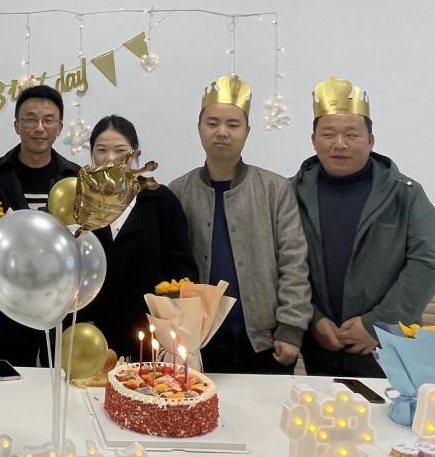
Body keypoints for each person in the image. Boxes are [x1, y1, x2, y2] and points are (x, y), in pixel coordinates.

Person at [168, 74, 312, 374]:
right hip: (200, 341)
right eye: (212, 123)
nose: (222, 132)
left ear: (247, 130)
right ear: (199, 127)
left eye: (233, 125)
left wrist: (291, 327)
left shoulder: (275, 189)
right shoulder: (179, 192)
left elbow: (294, 261)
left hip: (265, 342)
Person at [294, 76, 435, 377]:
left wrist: (378, 323)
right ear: (314, 140)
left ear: (371, 140)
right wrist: (313, 318)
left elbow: (427, 260)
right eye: (328, 134)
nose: (339, 144)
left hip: (388, 344)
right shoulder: (290, 193)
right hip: (317, 341)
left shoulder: (405, 194)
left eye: (352, 134)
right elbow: (278, 263)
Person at [0, 84, 79, 366]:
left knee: (58, 373)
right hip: (9, 299)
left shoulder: (74, 177)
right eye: (30, 119)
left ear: (59, 127)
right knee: (12, 374)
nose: (39, 128)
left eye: (48, 120)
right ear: (16, 125)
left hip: (59, 298)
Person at [79, 115, 197, 359]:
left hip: (150, 335)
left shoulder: (160, 201)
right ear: (92, 155)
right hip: (91, 334)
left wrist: (174, 323)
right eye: (101, 150)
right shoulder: (80, 202)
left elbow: (181, 268)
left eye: (120, 150)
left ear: (134, 153)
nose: (110, 158)